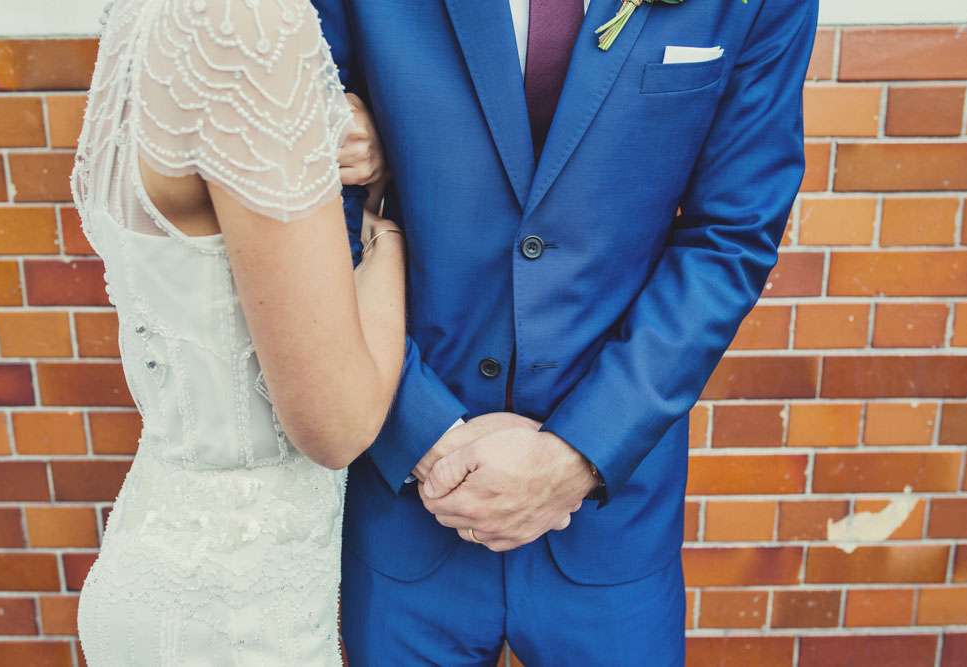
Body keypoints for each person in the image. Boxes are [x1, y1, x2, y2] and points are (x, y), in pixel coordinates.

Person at [314, 0, 820, 664]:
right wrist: (425, 435)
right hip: (405, 496)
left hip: (612, 511)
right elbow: (316, 202)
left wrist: (580, 451)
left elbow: (729, 237)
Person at [73, 0, 393, 663]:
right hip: (239, 617)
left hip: (155, 553)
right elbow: (337, 424)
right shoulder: (249, 23)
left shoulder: (143, 14)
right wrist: (391, 238)